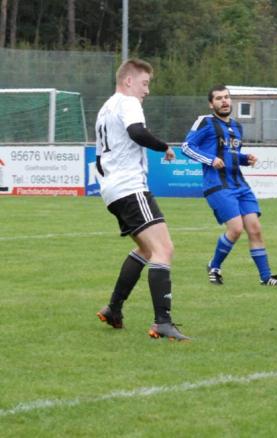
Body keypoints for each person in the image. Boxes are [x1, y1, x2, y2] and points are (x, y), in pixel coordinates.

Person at [94, 58, 189, 341]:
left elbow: (100, 158)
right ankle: (162, 322)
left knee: (147, 251)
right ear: (129, 81)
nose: (147, 90)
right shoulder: (128, 102)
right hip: (130, 187)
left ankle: (113, 308)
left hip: (112, 190)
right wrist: (164, 147)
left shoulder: (105, 108)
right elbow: (137, 132)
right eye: (145, 83)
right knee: (164, 250)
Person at [181, 84, 277, 287]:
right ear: (211, 104)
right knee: (236, 228)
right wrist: (210, 159)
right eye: (219, 98)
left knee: (255, 229)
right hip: (218, 185)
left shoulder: (237, 127)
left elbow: (229, 155)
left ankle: (266, 277)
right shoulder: (205, 122)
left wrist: (245, 158)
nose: (224, 101)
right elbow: (187, 147)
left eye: (227, 97)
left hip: (239, 184)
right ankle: (214, 266)